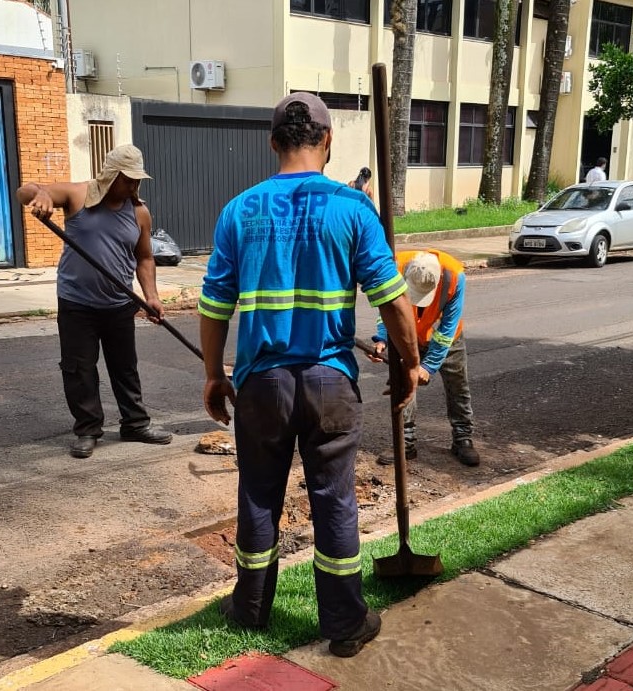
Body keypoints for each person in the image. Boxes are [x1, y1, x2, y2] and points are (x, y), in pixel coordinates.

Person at [198, 93, 420, 658]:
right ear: (327, 141)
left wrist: (213, 376)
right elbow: (394, 301)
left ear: (274, 143)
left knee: (257, 495)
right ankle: (345, 625)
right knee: (334, 499)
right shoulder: (352, 209)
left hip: (261, 385)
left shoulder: (239, 211)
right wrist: (412, 361)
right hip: (330, 384)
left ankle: (249, 608)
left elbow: (214, 305)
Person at [16, 144, 173, 459]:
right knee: (79, 369)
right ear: (110, 175)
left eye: (137, 180)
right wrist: (41, 194)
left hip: (119, 303)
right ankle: (88, 429)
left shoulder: (139, 212)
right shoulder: (77, 196)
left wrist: (151, 297)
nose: (134, 186)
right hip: (77, 303)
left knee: (125, 367)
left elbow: (144, 258)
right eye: (128, 179)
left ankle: (135, 424)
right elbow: (25, 192)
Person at [370, 250, 480, 467]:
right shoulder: (395, 266)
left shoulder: (455, 276)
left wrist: (428, 366)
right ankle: (406, 443)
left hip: (448, 338)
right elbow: (388, 310)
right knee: (403, 385)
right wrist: (381, 339)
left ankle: (462, 438)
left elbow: (447, 328)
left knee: (458, 386)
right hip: (406, 335)